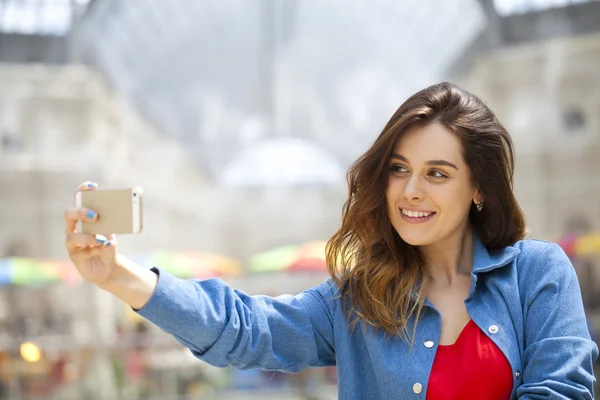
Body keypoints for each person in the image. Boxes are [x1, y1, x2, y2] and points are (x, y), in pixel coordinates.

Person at [64, 82, 598, 399]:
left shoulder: (537, 272)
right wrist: (118, 276)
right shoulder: (360, 300)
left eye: (438, 173)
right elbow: (250, 329)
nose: (411, 191)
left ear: (478, 186)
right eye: (398, 168)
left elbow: (563, 389)